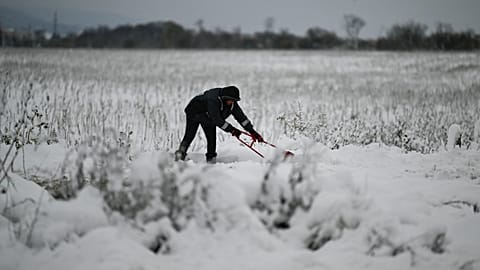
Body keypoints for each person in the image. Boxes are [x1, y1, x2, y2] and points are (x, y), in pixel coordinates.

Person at [175, 85, 263, 163]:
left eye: (234, 100)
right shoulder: (213, 100)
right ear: (225, 98)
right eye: (231, 100)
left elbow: (242, 118)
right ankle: (180, 155)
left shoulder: (232, 103)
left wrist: (252, 132)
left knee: (212, 139)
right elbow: (217, 120)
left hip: (208, 117)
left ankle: (211, 160)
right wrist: (232, 130)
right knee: (190, 135)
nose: (232, 102)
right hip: (194, 112)